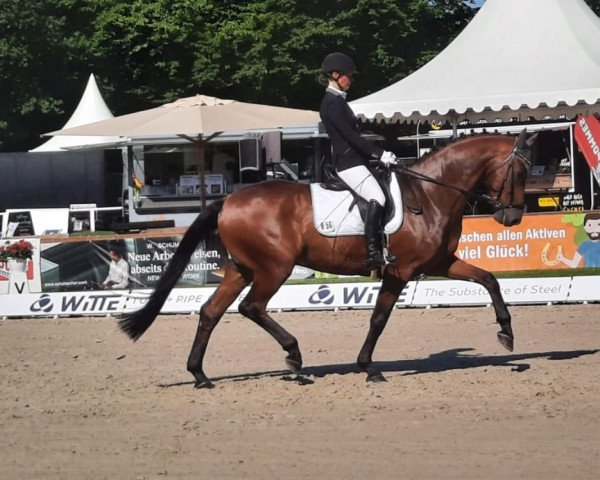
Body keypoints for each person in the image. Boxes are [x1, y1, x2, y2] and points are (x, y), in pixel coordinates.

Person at [319, 52, 398, 269]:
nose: (351, 80)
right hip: (348, 164)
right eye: (348, 77)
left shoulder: (338, 101)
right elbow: (351, 138)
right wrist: (379, 154)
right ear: (335, 75)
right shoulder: (332, 103)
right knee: (378, 198)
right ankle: (373, 253)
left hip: (357, 160)